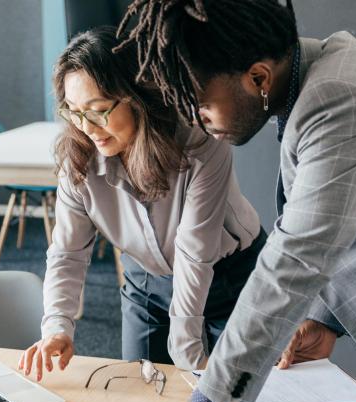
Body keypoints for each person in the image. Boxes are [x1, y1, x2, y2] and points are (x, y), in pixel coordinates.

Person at [112, 1, 356, 402]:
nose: (198, 121)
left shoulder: (343, 100)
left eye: (200, 104)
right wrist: (325, 317)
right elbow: (349, 211)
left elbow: (296, 258)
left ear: (258, 77)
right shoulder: (326, 74)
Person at [17, 27, 265, 380]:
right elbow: (67, 253)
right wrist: (57, 327)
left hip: (229, 278)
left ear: (137, 97)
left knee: (231, 399)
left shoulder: (199, 142)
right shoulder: (78, 158)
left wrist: (189, 356)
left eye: (99, 110)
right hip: (146, 281)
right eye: (73, 111)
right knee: (139, 395)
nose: (86, 127)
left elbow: (195, 253)